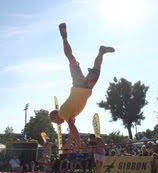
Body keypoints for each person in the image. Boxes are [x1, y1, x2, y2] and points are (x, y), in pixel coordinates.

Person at [49, 22, 115, 152]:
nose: (57, 124)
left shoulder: (63, 113)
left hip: (79, 85)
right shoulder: (68, 116)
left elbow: (73, 130)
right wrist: (67, 147)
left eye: (55, 122)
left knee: (71, 59)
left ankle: (64, 36)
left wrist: (79, 143)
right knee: (96, 69)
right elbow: (72, 133)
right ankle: (101, 51)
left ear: (55, 117)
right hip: (86, 88)